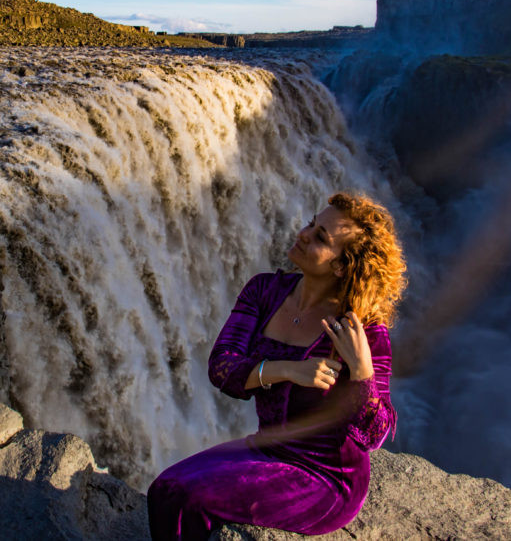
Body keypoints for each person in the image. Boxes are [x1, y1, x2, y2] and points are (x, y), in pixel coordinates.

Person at [147, 191, 407, 540]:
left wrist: (363, 373)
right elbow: (221, 367)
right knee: (164, 488)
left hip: (324, 477)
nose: (303, 233)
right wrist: (287, 369)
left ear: (341, 265)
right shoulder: (264, 291)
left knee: (188, 499)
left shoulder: (361, 328)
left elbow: (375, 434)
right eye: (311, 224)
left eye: (320, 238)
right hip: (265, 449)